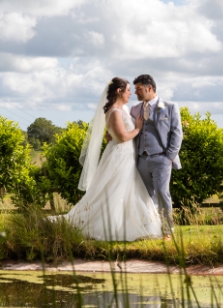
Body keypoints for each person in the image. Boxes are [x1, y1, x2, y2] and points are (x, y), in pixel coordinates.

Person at [59, 78, 163, 241]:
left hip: (125, 155)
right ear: (119, 91)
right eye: (128, 90)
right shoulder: (114, 111)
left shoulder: (121, 109)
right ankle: (113, 227)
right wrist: (137, 128)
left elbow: (112, 134)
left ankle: (134, 225)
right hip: (120, 155)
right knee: (116, 189)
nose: (130, 93)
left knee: (129, 190)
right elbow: (122, 137)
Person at [130, 74, 183, 240]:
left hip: (162, 158)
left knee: (161, 192)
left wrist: (169, 156)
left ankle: (168, 230)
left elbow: (177, 133)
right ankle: (150, 229)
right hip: (141, 159)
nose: (135, 92)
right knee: (145, 195)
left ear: (149, 88)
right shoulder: (134, 109)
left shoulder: (170, 106)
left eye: (138, 89)